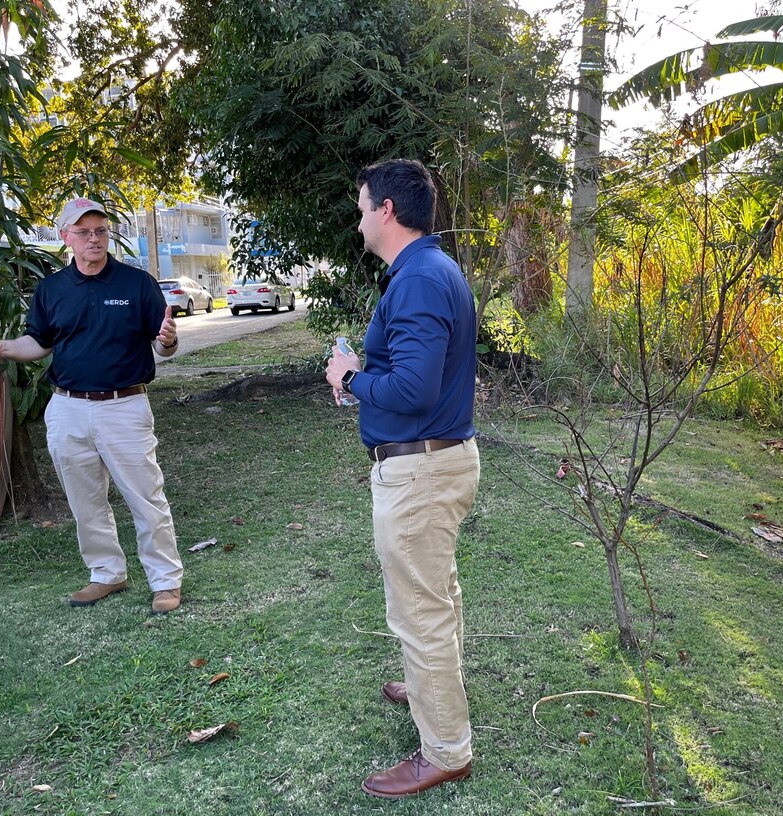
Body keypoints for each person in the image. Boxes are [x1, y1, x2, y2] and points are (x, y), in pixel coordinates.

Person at [325, 159, 480, 798]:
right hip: (437, 461)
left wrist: (349, 379)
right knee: (434, 596)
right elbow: (421, 373)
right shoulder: (430, 271)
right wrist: (364, 375)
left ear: (387, 210)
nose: (359, 219)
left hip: (419, 469)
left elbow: (413, 389)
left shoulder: (416, 279)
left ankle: (445, 749)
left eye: (363, 207)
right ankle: (427, 687)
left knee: (419, 612)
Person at [0, 197, 185, 614]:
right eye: (83, 232)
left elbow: (163, 344)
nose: (93, 239)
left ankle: (166, 581)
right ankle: (106, 574)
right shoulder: (52, 289)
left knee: (145, 497)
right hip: (67, 408)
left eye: (100, 231)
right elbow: (39, 343)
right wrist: (1, 346)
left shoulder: (136, 284)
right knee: (85, 501)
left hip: (124, 406)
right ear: (66, 238)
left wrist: (167, 340)